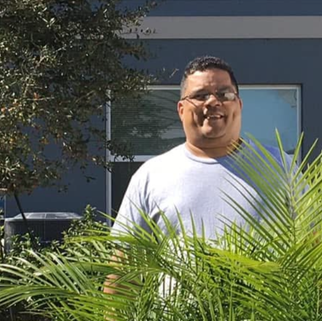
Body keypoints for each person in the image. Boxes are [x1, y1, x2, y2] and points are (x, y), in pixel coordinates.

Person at [111, 55, 287, 240]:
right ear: (181, 110)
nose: (213, 102)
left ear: (239, 105)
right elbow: (123, 255)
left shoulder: (280, 166)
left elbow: (308, 243)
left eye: (224, 95)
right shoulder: (151, 176)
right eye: (200, 96)